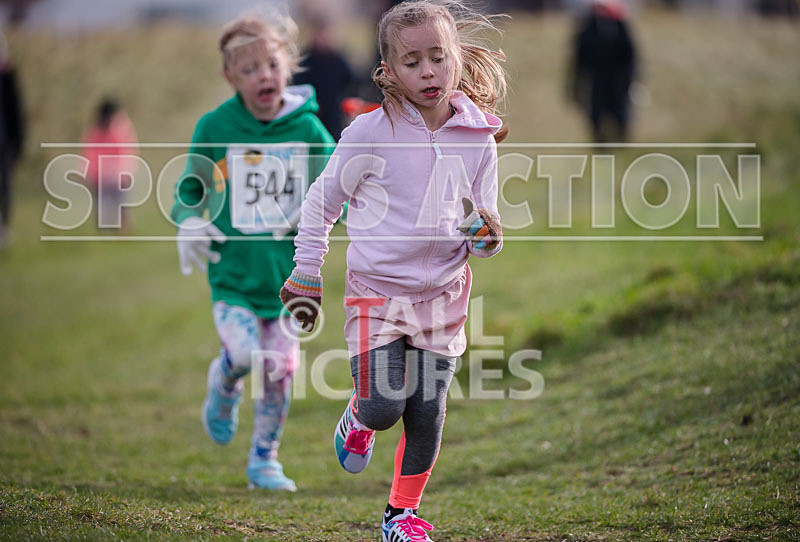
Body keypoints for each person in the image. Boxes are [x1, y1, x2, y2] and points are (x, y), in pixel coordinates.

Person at [280, 1, 507, 539]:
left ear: (455, 59)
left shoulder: (478, 138)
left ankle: (400, 516)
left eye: (437, 58)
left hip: (443, 297)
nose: (427, 72)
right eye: (411, 62)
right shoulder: (369, 134)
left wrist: (487, 236)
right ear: (388, 71)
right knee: (384, 406)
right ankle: (358, 420)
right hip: (376, 293)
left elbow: (488, 228)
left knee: (427, 412)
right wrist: (306, 271)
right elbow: (320, 204)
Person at [170, 13, 334, 491]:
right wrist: (191, 219)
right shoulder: (216, 126)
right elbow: (190, 187)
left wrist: (327, 215)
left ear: (289, 65)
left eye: (271, 64)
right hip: (234, 279)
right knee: (243, 355)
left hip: (288, 284)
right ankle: (223, 384)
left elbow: (338, 194)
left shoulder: (310, 133)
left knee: (281, 371)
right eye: (249, 69)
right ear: (229, 77)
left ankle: (265, 459)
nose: (263, 75)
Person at [569, 0, 637, 143]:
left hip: (618, 81)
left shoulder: (621, 26)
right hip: (597, 80)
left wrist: (629, 79)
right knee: (596, 114)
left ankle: (621, 142)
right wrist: (575, 82)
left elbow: (630, 57)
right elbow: (579, 58)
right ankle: (599, 144)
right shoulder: (588, 28)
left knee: (620, 113)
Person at [292, 17, 355, 140]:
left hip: (335, 112)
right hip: (314, 111)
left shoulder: (338, 61)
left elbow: (350, 83)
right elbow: (298, 85)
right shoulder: (306, 60)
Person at [81, 98, 138, 233]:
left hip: (117, 174)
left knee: (120, 204)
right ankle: (108, 227)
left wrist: (126, 170)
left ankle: (122, 228)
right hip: (101, 176)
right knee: (104, 204)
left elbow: (125, 150)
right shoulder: (95, 130)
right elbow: (90, 151)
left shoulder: (120, 127)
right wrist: (89, 171)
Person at [0, 31, 24, 249]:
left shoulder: (8, 83)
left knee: (4, 188)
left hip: (3, 144)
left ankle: (4, 229)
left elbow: (17, 115)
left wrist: (17, 145)